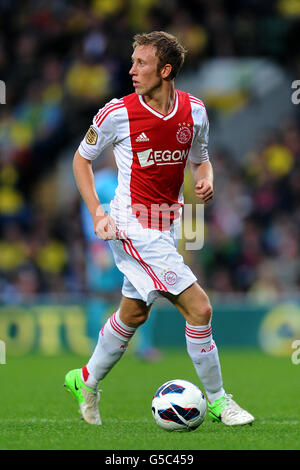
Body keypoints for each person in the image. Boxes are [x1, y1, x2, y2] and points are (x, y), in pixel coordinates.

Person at [64, 31, 254, 426]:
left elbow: (202, 159)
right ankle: (219, 401)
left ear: (165, 70)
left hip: (167, 225)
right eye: (132, 62)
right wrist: (98, 213)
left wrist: (207, 178)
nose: (131, 71)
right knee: (200, 308)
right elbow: (80, 161)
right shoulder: (116, 113)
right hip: (130, 225)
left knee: (133, 314)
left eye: (141, 64)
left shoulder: (195, 111)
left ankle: (86, 379)